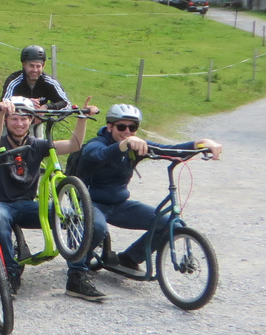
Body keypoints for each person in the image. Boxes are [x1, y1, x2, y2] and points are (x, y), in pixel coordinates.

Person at [76, 104, 222, 281]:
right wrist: (123, 145)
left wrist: (201, 143)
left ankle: (129, 258)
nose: (127, 131)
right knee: (97, 228)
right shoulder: (97, 143)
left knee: (172, 225)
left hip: (119, 205)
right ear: (110, 127)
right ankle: (78, 269)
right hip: (92, 203)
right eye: (122, 127)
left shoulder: (137, 145)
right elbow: (97, 154)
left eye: (133, 128)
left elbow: (169, 150)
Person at [0, 96, 96, 298]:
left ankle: (77, 274)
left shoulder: (37, 145)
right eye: (14, 119)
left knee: (73, 217)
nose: (19, 123)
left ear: (31, 120)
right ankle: (10, 272)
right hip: (0, 204)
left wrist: (82, 118)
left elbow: (74, 145)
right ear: (7, 121)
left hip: (27, 205)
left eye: (24, 118)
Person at [1, 45, 70, 110]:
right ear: (24, 65)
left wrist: (47, 107)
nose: (35, 70)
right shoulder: (13, 80)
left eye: (38, 66)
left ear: (43, 65)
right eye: (31, 66)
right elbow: (4, 103)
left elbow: (66, 104)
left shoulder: (49, 81)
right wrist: (26, 102)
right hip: (17, 120)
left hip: (39, 120)